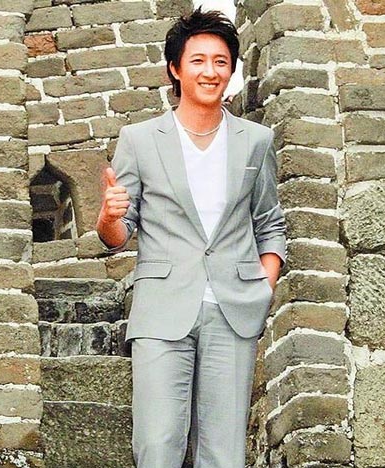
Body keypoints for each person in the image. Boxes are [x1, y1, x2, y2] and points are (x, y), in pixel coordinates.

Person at [96, 8, 286, 468]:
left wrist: (263, 285)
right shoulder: (140, 139)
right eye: (198, 60)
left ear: (232, 70)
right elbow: (118, 235)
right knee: (157, 443)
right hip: (162, 308)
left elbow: (270, 223)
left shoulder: (256, 141)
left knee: (223, 453)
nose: (210, 71)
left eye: (221, 62)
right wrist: (107, 217)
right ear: (175, 69)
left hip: (234, 309)